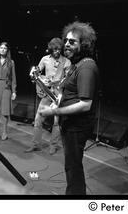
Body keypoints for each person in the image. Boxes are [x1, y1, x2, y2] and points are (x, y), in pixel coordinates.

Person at [38, 21, 99, 195]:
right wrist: (57, 99)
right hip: (70, 125)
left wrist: (54, 111)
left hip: (76, 127)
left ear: (84, 45)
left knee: (74, 169)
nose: (67, 44)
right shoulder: (76, 65)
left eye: (72, 42)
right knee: (71, 167)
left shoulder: (86, 67)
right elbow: (69, 93)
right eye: (66, 40)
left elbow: (85, 104)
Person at [24, 37, 71, 155]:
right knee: (38, 119)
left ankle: (53, 145)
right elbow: (37, 73)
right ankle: (36, 144)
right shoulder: (45, 59)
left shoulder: (66, 62)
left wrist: (58, 84)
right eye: (54, 49)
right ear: (51, 48)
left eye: (59, 49)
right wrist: (36, 76)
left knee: (56, 122)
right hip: (46, 94)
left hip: (58, 95)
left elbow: (68, 80)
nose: (57, 51)